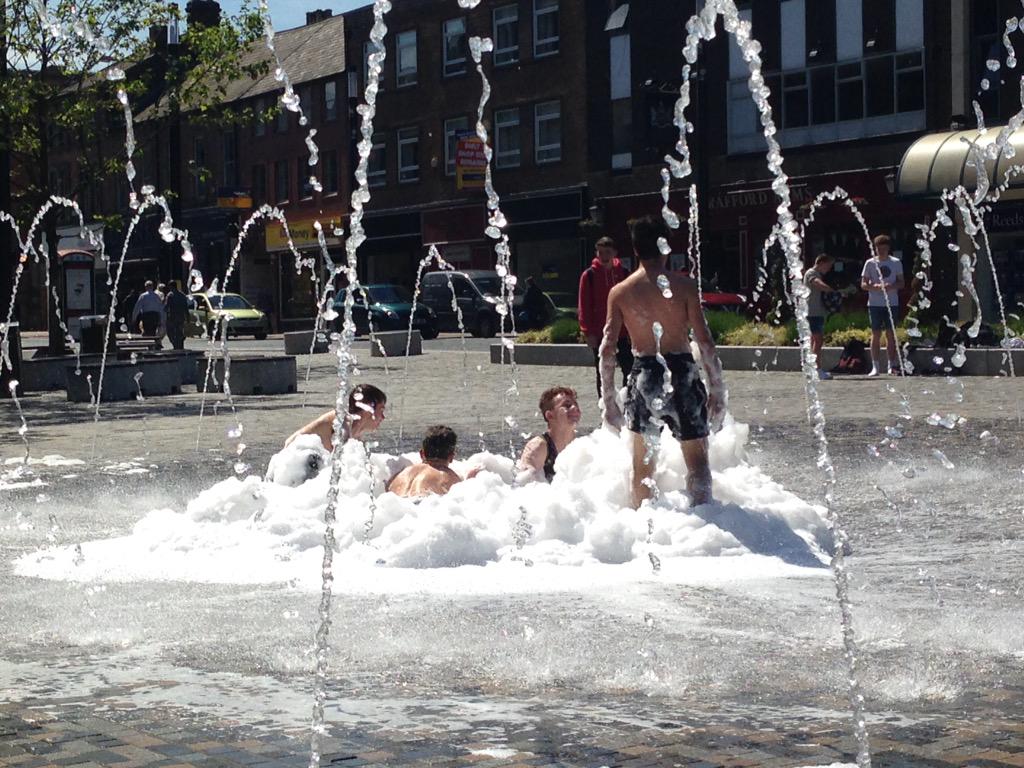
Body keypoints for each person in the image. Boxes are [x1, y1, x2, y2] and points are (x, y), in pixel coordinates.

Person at [601, 215, 725, 509]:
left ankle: (642, 531)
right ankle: (709, 526)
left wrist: (608, 402)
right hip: (682, 372)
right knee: (697, 462)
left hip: (644, 374)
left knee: (643, 469)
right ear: (665, 246)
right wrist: (717, 391)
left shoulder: (620, 292)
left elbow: (607, 350)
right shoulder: (684, 287)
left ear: (634, 250)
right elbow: (705, 343)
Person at [578, 235, 632, 398]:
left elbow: (630, 302)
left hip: (622, 331)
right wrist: (587, 332)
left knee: (629, 369)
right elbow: (584, 305)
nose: (603, 256)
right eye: (600, 252)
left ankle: (627, 402)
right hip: (600, 331)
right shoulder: (589, 275)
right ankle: (607, 408)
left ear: (614, 253)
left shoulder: (624, 273)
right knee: (603, 372)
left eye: (607, 252)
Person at [285, 383, 387, 451]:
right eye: (381, 410)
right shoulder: (343, 421)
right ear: (368, 408)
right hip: (292, 456)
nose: (383, 417)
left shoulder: (356, 432)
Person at [387, 425, 481, 498]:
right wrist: (470, 481)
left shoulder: (399, 475)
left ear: (421, 454)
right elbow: (463, 499)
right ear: (452, 456)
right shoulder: (447, 476)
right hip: (420, 505)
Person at [860, 234, 905, 376]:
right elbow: (863, 284)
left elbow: (901, 283)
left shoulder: (896, 262)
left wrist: (890, 286)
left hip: (891, 302)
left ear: (888, 248)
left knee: (891, 334)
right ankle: (875, 366)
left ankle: (891, 365)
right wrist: (875, 287)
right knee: (876, 333)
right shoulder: (870, 263)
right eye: (879, 249)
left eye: (884, 249)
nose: (881, 252)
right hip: (874, 303)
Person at [518, 386, 581, 482]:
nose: (575, 408)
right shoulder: (539, 447)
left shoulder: (581, 446)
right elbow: (523, 486)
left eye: (576, 404)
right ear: (550, 415)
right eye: (567, 405)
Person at [803, 253, 838, 381]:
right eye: (828, 266)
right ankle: (817, 369)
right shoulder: (812, 273)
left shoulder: (818, 274)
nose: (828, 269)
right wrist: (832, 291)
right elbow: (817, 284)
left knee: (814, 340)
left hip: (817, 312)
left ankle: (812, 368)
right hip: (813, 312)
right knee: (818, 340)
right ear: (821, 263)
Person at [164, 281, 190, 351]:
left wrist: (163, 311)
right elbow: (186, 307)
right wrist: (187, 317)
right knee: (180, 331)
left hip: (172, 317)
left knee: (170, 331)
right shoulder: (182, 295)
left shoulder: (170, 295)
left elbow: (166, 306)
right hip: (181, 317)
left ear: (171, 287)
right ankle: (180, 344)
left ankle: (175, 344)